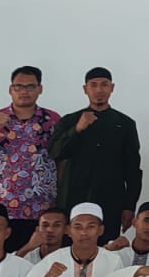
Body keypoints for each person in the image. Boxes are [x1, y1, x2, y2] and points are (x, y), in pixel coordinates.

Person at [0, 65, 60, 250]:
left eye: (30, 86)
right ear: (10, 89)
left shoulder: (52, 120)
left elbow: (62, 161)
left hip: (39, 208)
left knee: (36, 261)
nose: (24, 91)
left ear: (40, 89)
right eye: (18, 86)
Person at [50, 67, 142, 244]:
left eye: (104, 85)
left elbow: (132, 168)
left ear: (112, 88)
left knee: (107, 250)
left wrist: (129, 206)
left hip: (111, 199)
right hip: (73, 198)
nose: (99, 90)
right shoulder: (70, 120)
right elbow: (56, 152)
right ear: (85, 89)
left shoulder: (125, 123)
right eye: (93, 85)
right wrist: (77, 129)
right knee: (70, 249)